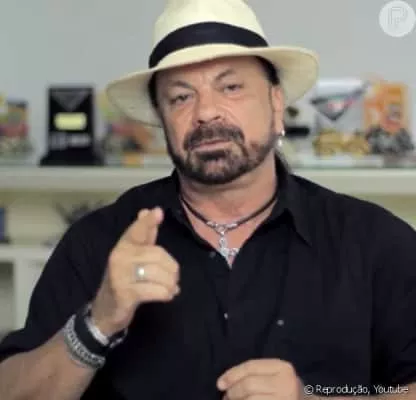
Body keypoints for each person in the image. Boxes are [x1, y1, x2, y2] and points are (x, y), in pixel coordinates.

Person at [1, 0, 416, 399]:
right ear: (162, 120)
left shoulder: (373, 242)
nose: (206, 113)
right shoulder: (98, 242)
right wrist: (96, 324)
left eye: (231, 87)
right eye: (181, 97)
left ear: (276, 103)